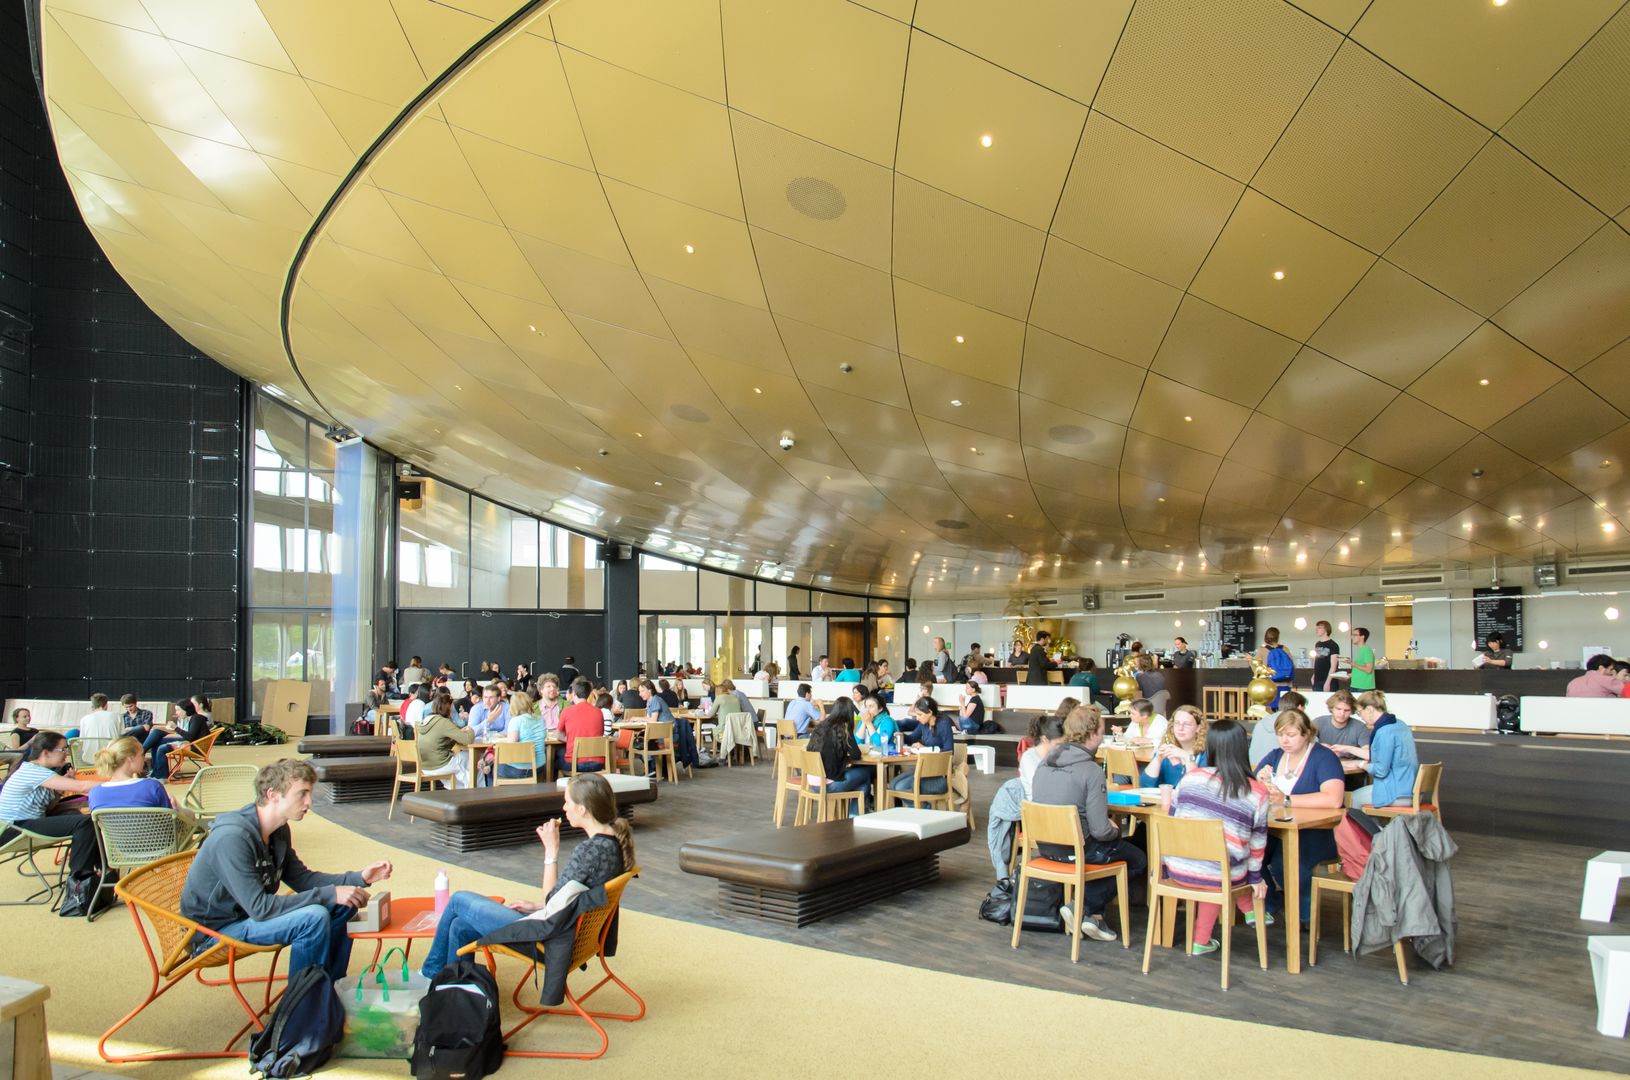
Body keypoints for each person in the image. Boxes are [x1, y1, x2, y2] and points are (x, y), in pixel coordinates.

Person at [181, 759, 389, 980]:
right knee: (314, 917)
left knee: (342, 905)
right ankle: (303, 998)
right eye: (302, 794)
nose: (309, 802)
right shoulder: (232, 838)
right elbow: (260, 908)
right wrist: (329, 894)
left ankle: (328, 986)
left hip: (247, 917)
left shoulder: (279, 830)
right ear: (273, 795)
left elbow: (302, 879)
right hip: (212, 933)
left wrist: (359, 877)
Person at [419, 773, 634, 977]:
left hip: (547, 940)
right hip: (570, 935)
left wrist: (551, 851)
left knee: (458, 900)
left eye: (567, 802)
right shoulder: (613, 844)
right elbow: (572, 900)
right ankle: (453, 986)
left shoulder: (589, 851)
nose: (564, 808)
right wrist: (535, 906)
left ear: (582, 809)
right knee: (459, 926)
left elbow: (551, 899)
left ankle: (429, 973)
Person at [1030, 705, 1146, 943]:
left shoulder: (1044, 764)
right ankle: (1082, 906)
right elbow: (1101, 831)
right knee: (1137, 858)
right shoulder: (1090, 771)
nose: (1103, 737)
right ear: (1092, 734)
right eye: (1102, 732)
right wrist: (1114, 830)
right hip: (1080, 850)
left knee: (1120, 848)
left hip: (1047, 847)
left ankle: (1095, 917)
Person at [1162, 719, 1270, 956]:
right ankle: (1243, 913)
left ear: (1209, 747)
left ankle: (1243, 914)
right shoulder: (1257, 792)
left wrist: (1163, 868)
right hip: (1218, 874)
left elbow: (1172, 819)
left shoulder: (1190, 778)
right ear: (1243, 748)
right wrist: (1255, 878)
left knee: (1218, 862)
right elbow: (1258, 844)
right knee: (1229, 865)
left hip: (1178, 868)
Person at [1254, 709, 1345, 920]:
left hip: (1318, 831)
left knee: (1285, 862)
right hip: (1278, 828)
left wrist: (1286, 800)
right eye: (1280, 734)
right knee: (1251, 855)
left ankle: (1305, 915)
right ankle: (1271, 904)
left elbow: (1333, 799)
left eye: (1291, 735)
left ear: (1306, 734)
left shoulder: (1323, 757)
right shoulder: (1276, 756)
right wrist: (1260, 779)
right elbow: (1251, 786)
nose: (1284, 740)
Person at [0, 732, 102, 882]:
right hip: (14, 829)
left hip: (23, 824)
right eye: (63, 749)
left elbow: (47, 808)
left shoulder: (38, 771)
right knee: (84, 823)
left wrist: (59, 790)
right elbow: (82, 786)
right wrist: (119, 783)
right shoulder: (33, 771)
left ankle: (103, 871)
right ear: (46, 753)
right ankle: (79, 880)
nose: (66, 753)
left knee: (85, 819)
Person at [986, 714, 1057, 879]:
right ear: (1046, 739)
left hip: (1045, 813)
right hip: (1041, 817)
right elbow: (1040, 793)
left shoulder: (1042, 757)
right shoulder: (1031, 758)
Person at [1347, 690, 1419, 834]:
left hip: (1396, 793)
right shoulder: (1400, 725)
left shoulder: (1384, 731)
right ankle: (1378, 834)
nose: (1361, 717)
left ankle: (1376, 837)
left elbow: (1381, 771)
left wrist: (1361, 765)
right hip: (1410, 789)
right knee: (1363, 797)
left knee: (1350, 798)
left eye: (1360, 712)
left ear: (1369, 709)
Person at [807, 702, 871, 810]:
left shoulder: (821, 726)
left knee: (861, 784)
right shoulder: (844, 728)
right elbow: (856, 755)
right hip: (828, 784)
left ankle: (854, 814)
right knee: (865, 774)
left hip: (813, 782)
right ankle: (855, 814)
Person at [87, 736, 173, 810]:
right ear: (130, 758)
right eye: (142, 754)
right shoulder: (152, 787)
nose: (145, 758)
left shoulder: (95, 793)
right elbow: (169, 819)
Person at [891, 697, 953, 797]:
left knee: (900, 787)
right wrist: (901, 735)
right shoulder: (924, 724)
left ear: (930, 712)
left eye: (920, 715)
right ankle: (923, 805)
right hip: (924, 769)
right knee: (893, 784)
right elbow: (912, 738)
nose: (917, 718)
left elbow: (949, 750)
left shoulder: (943, 724)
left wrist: (924, 749)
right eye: (916, 715)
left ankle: (924, 806)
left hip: (938, 775)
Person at [1141, 705, 1207, 789]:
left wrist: (1188, 758)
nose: (1180, 728)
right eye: (1177, 723)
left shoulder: (1206, 754)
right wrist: (1157, 759)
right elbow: (1145, 785)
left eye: (1187, 724)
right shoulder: (1167, 751)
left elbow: (1195, 788)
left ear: (1198, 728)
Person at [638, 678, 699, 770]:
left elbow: (653, 720)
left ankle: (653, 768)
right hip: (665, 733)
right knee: (642, 741)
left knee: (642, 743)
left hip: (668, 735)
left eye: (642, 691)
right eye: (639, 691)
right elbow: (649, 718)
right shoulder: (651, 701)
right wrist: (637, 719)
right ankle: (655, 768)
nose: (640, 694)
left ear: (649, 691)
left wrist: (637, 719)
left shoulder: (655, 700)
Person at [418, 695, 474, 788]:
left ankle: (457, 790)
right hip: (441, 765)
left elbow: (441, 742)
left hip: (425, 767)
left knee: (461, 764)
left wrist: (456, 735)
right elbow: (468, 739)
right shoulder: (443, 722)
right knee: (469, 757)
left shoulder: (426, 721)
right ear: (449, 707)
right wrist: (470, 729)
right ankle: (472, 790)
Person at [153, 699, 209, 781]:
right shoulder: (194, 718)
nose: (176, 713)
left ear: (186, 709)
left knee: (162, 748)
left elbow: (189, 737)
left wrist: (175, 727)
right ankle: (156, 773)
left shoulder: (196, 718)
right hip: (193, 744)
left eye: (178, 710)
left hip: (196, 748)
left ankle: (162, 776)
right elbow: (189, 736)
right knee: (156, 742)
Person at [562, 679, 609, 772]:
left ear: (573, 693)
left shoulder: (567, 711)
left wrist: (571, 739)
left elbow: (559, 735)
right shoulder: (598, 711)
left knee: (555, 760)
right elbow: (601, 733)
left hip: (575, 763)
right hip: (597, 763)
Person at [501, 692, 551, 779]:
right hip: (539, 766)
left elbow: (510, 746)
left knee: (493, 767)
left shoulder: (516, 720)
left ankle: (494, 787)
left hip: (520, 768)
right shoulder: (540, 719)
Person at [1313, 690, 1370, 758]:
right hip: (1323, 761)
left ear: (1352, 711)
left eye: (1347, 710)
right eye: (1338, 709)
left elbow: (1368, 754)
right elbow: (1304, 746)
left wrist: (1345, 749)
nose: (1342, 713)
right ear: (1332, 708)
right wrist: (1321, 746)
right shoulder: (1318, 722)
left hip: (1351, 764)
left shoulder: (1360, 727)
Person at [1259, 627, 1295, 705]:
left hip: (1269, 685)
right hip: (1285, 684)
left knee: (1269, 708)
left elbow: (1257, 668)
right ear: (1277, 637)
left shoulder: (1262, 650)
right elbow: (1292, 666)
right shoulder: (1285, 649)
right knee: (1284, 707)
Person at [1310, 621, 1340, 692]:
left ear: (1326, 629)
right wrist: (1314, 675)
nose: (1317, 629)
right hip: (1317, 679)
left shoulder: (1333, 645)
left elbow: (1334, 666)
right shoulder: (1318, 644)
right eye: (1317, 628)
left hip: (1329, 680)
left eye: (1319, 628)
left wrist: (1328, 682)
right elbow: (1317, 662)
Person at [1348, 626, 1376, 693]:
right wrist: (1347, 675)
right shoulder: (1360, 650)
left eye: (1355, 635)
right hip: (1355, 685)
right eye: (1352, 635)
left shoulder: (1367, 650)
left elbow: (1368, 670)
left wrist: (1354, 664)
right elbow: (1360, 670)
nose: (1352, 637)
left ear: (1362, 637)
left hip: (1364, 686)